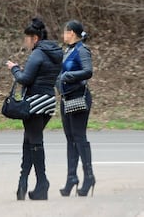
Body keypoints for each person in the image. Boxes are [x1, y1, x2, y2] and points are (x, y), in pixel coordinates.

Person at [7, 18, 63, 200]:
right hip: (48, 101)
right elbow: (44, 75)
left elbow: (25, 79)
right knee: (29, 141)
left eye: (27, 38)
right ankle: (22, 184)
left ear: (35, 38)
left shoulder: (37, 54)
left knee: (35, 143)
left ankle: (42, 184)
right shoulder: (55, 52)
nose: (25, 42)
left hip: (35, 102)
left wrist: (14, 68)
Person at [57, 20, 95, 197]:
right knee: (70, 139)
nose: (63, 35)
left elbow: (88, 71)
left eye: (65, 32)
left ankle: (89, 177)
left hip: (79, 99)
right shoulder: (68, 50)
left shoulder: (82, 50)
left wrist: (67, 76)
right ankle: (71, 178)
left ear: (71, 33)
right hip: (66, 99)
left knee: (79, 138)